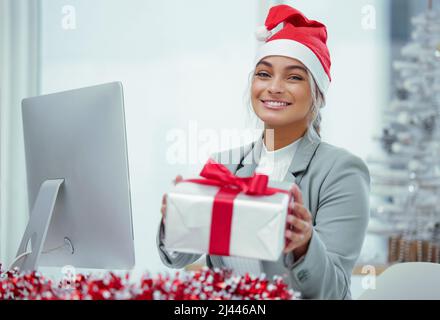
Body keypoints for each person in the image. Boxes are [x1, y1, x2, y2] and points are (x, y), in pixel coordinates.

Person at [157, 4, 370, 299]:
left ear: (317, 94)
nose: (274, 87)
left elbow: (334, 291)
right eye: (263, 74)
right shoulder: (224, 165)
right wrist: (176, 221)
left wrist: (306, 247)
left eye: (294, 77)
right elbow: (176, 258)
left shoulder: (342, 171)